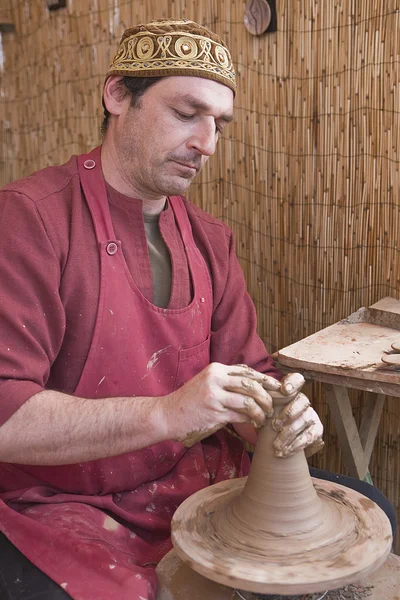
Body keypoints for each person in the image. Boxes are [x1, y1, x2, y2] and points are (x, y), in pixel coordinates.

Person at [0, 18, 394, 600]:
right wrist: (168, 412)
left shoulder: (211, 239)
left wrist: (273, 418)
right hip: (58, 502)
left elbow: (251, 375)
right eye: (187, 113)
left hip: (192, 480)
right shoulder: (29, 220)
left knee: (375, 512)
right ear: (117, 95)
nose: (207, 143)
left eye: (218, 124)